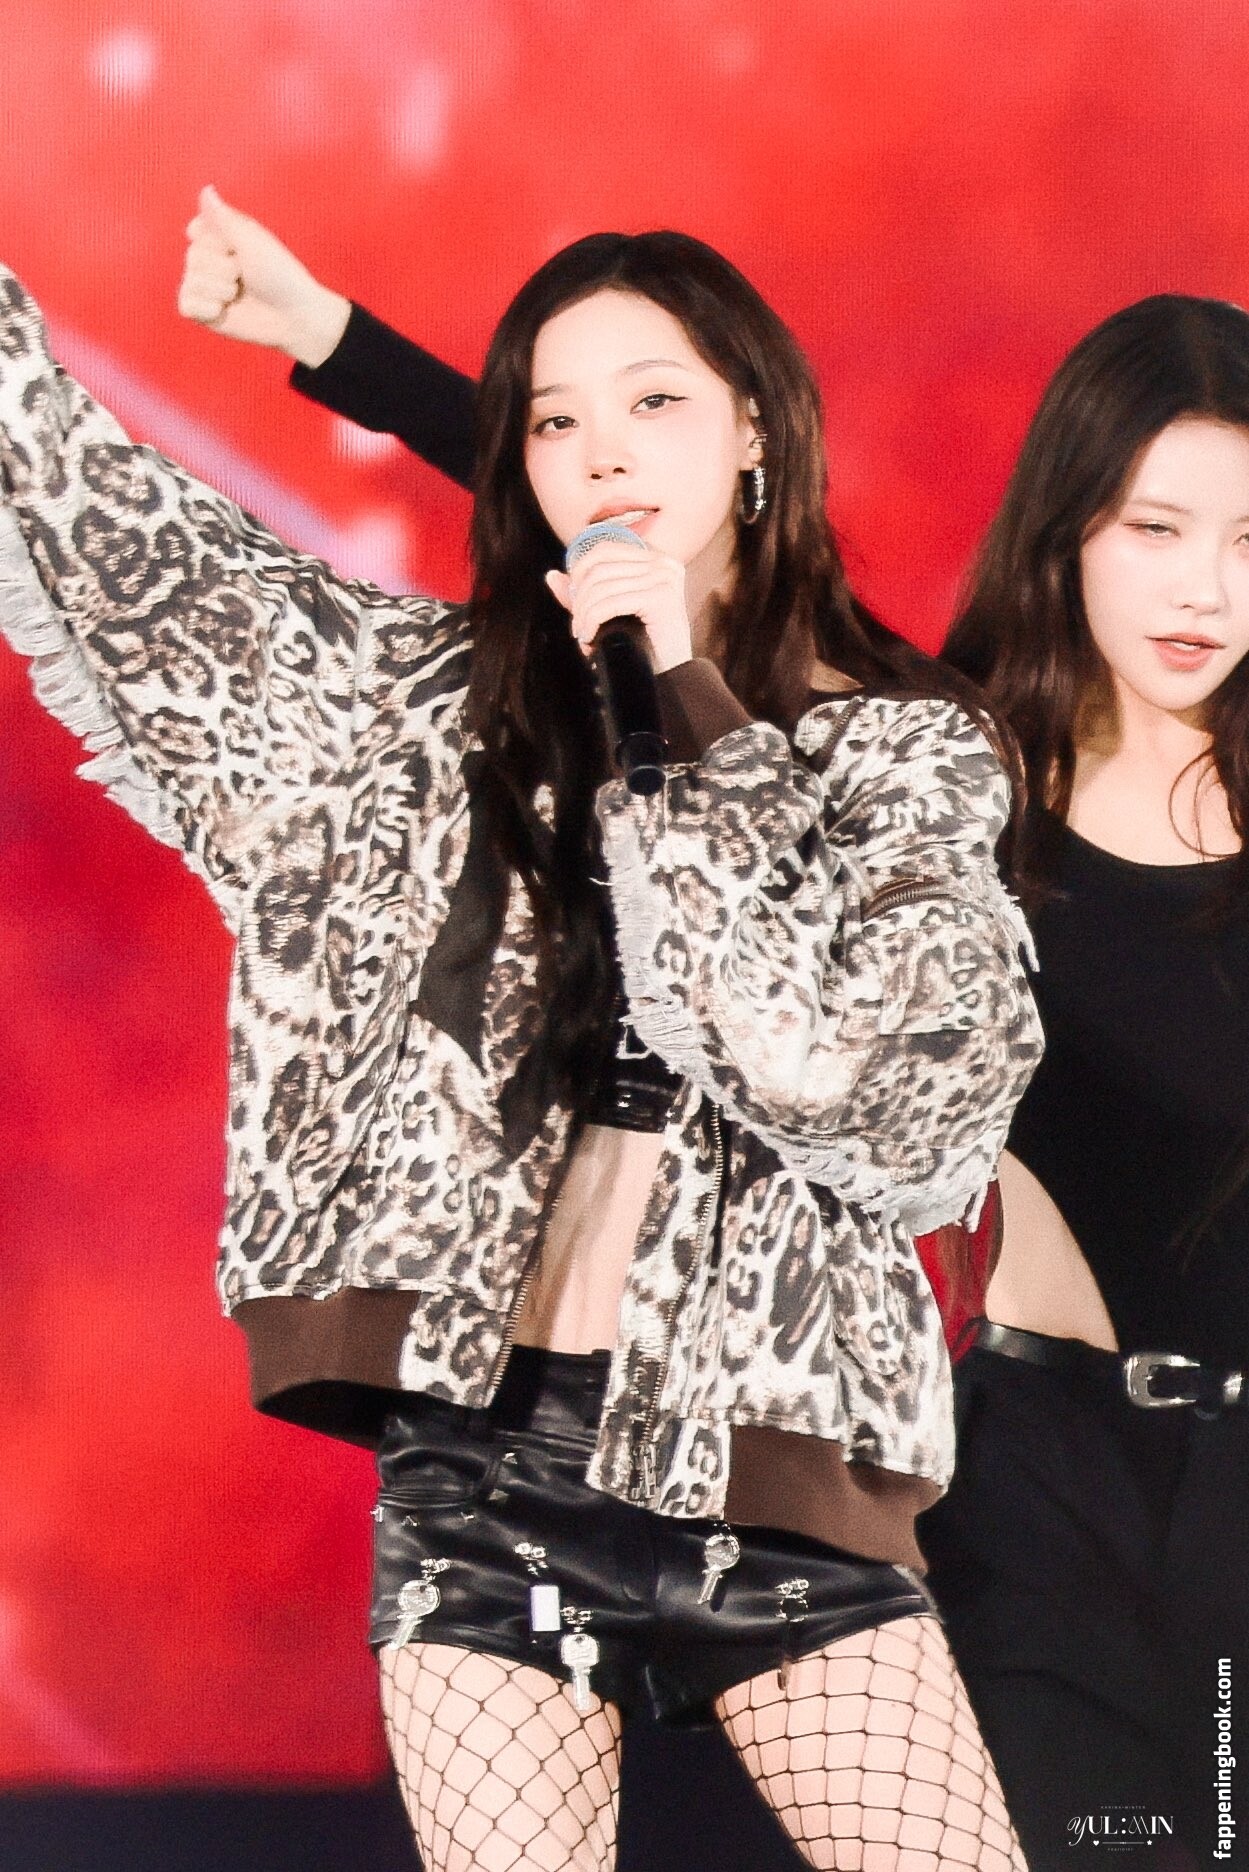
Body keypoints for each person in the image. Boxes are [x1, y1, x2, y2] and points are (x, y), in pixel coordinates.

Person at [1, 219, 1039, 1872]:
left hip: (774, 1488)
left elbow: (844, 1067)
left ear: (754, 429)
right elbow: (129, 556)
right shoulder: (428, 705)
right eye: (555, 421)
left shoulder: (901, 755)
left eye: (652, 403)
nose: (601, 453)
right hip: (483, 1486)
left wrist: (678, 692)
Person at [924, 296, 1249, 1869]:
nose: (1203, 590)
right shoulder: (948, 784)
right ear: (1064, 528)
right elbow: (708, 558)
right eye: (1153, 527)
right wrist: (335, 337)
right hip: (1039, 1491)